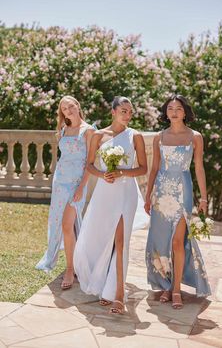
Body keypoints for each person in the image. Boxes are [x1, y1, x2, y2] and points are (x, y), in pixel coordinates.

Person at [73, 96, 147, 314]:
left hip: (126, 193)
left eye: (130, 112)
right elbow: (90, 165)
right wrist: (104, 174)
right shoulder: (98, 135)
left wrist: (122, 172)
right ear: (113, 112)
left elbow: (143, 168)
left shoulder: (136, 136)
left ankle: (118, 295)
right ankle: (104, 286)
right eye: (123, 110)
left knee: (121, 241)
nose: (127, 115)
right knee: (102, 239)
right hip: (105, 193)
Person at [144, 94, 211, 309]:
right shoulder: (159, 137)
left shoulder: (195, 137)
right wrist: (148, 195)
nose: (174, 111)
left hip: (183, 190)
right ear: (166, 112)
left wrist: (204, 197)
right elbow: (154, 168)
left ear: (185, 112)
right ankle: (165, 283)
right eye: (170, 108)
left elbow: (199, 168)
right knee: (161, 241)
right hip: (161, 193)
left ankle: (175, 289)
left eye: (178, 108)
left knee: (177, 241)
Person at [36, 96, 95, 290]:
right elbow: (63, 158)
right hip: (60, 182)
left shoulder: (89, 131)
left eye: (71, 106)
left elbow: (90, 163)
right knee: (62, 225)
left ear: (78, 106)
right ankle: (75, 264)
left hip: (76, 184)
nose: (68, 111)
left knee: (67, 225)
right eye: (64, 109)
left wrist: (80, 188)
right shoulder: (63, 130)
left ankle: (70, 268)